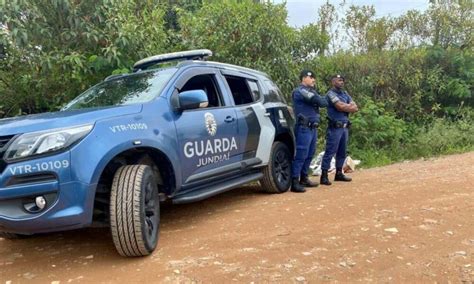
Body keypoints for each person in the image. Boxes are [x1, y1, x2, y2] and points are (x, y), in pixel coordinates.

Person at [291, 70, 328, 193]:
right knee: (301, 154)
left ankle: (304, 178)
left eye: (314, 78)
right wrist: (319, 98)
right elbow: (320, 101)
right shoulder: (300, 91)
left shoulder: (311, 92)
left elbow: (323, 102)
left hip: (312, 128)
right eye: (311, 77)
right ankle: (294, 181)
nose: (314, 80)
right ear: (303, 78)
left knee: (310, 153)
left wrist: (320, 98)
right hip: (304, 127)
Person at [320, 74, 359, 185]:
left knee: (342, 152)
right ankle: (324, 175)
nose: (341, 82)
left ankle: (338, 173)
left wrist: (346, 106)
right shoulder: (330, 94)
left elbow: (355, 107)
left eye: (342, 80)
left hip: (345, 127)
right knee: (330, 151)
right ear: (333, 82)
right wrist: (347, 107)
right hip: (335, 128)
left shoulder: (345, 93)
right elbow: (339, 106)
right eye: (339, 80)